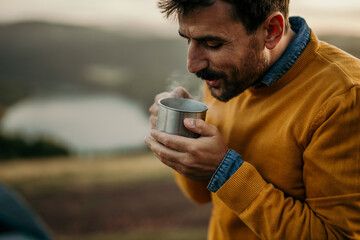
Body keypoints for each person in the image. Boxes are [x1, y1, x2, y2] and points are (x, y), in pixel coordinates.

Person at [145, 0, 360, 239]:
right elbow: (201, 195)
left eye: (212, 43)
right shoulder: (226, 78)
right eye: (188, 39)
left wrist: (225, 172)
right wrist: (181, 138)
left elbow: (338, 236)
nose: (193, 64)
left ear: (271, 31)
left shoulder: (344, 98)